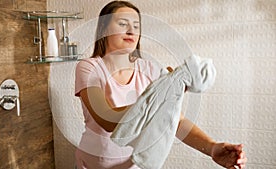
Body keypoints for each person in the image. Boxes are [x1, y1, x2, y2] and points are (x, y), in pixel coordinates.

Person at [75, 1, 247, 169]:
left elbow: (174, 120)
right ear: (104, 30)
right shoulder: (89, 67)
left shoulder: (150, 69)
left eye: (136, 26)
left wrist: (212, 147)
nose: (131, 30)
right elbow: (106, 118)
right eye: (122, 24)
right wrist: (162, 93)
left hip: (135, 165)